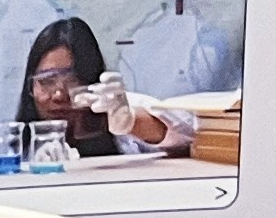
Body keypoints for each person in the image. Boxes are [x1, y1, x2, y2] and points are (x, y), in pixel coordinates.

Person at [23, 15, 199, 158]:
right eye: (46, 81)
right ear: (30, 86)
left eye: (72, 80)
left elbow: (192, 134)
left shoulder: (119, 110)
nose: (59, 95)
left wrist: (131, 122)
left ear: (93, 80)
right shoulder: (16, 142)